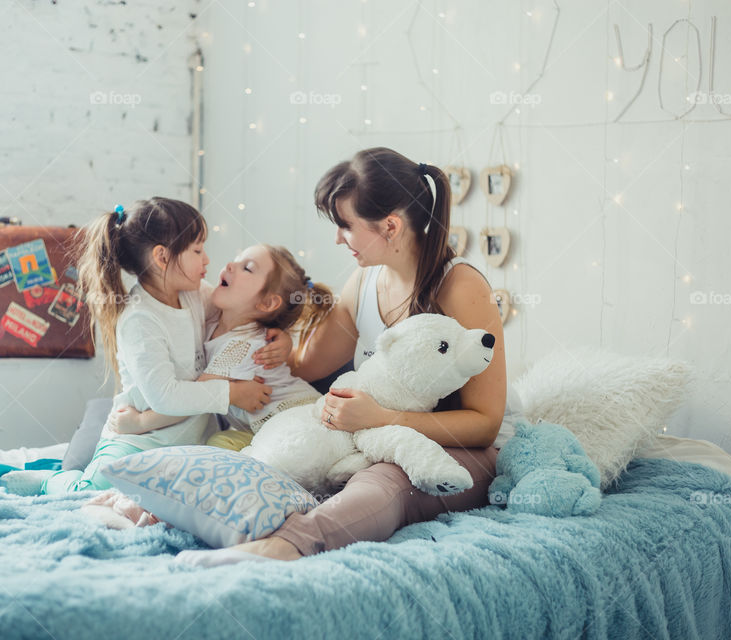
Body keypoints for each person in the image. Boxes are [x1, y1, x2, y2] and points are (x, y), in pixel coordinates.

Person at [177, 147, 522, 566]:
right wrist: (283, 345)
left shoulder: (461, 287)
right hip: (377, 436)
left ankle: (287, 546)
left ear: (390, 226)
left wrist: (382, 419)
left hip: (466, 450)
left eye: (345, 225)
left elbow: (485, 425)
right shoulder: (365, 280)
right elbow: (308, 367)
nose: (337, 238)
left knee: (384, 481)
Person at [0, 198, 288, 495]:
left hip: (192, 438)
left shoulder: (193, 295)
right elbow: (165, 396)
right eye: (197, 250)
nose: (207, 261)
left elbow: (238, 314)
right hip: (140, 438)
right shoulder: (140, 320)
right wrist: (233, 393)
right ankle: (52, 482)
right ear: (162, 258)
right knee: (92, 490)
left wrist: (281, 334)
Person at [109, 243, 332, 451]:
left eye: (247, 268)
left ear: (267, 303)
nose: (230, 265)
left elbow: (195, 401)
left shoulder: (241, 346)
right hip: (264, 428)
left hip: (294, 419)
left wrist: (139, 422)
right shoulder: (213, 320)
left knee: (217, 446)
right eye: (236, 259)